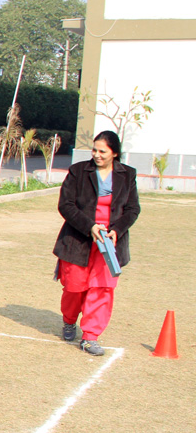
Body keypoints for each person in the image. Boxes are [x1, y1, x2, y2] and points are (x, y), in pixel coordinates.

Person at [53, 130, 140, 356]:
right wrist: (90, 226)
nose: (97, 155)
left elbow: (132, 209)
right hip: (79, 238)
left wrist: (116, 231)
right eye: (94, 150)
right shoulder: (78, 171)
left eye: (103, 151)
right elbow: (66, 205)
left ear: (115, 153)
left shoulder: (128, 175)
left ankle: (90, 336)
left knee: (102, 289)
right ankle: (69, 321)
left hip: (110, 243)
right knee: (74, 287)